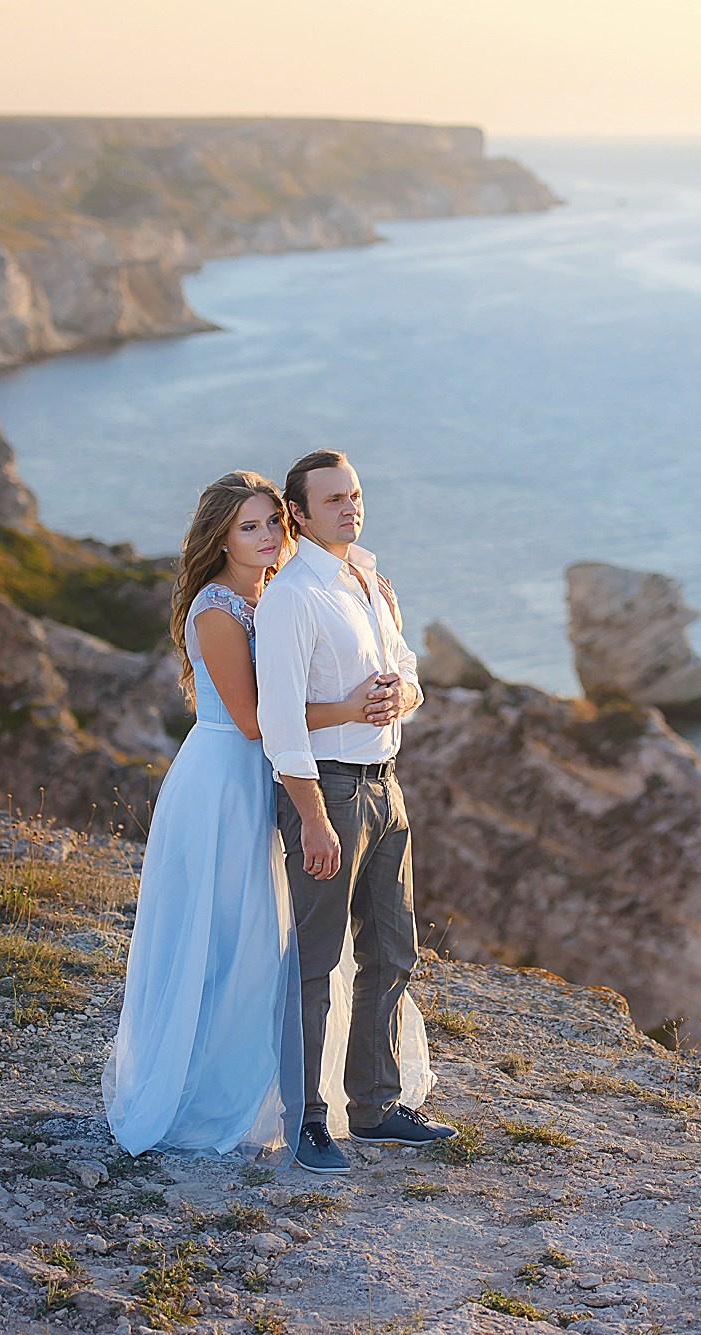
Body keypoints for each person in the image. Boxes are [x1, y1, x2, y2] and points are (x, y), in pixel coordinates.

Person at [103, 471, 415, 1157]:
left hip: (282, 769)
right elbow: (251, 721)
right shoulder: (218, 610)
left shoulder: (283, 594)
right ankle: (217, 1095)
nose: (270, 536)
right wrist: (353, 707)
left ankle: (295, 1093)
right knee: (229, 938)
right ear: (221, 537)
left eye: (274, 521)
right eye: (251, 526)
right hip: (228, 780)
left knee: (279, 939)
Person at [255, 450, 455, 1175]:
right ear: (298, 514)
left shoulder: (366, 578)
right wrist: (310, 817)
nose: (351, 508)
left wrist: (401, 696)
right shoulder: (290, 598)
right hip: (328, 790)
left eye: (357, 495)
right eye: (334, 499)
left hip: (387, 784)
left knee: (393, 949)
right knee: (316, 962)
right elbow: (277, 722)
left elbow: (409, 678)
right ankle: (307, 1118)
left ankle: (373, 1106)